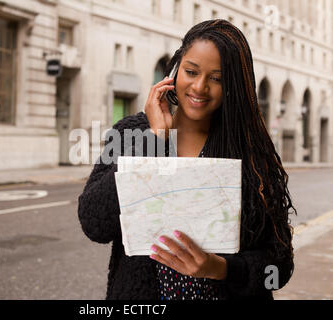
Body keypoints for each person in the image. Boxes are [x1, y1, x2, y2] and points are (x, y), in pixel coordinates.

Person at [78, 19, 296, 300]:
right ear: (175, 70)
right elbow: (94, 223)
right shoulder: (132, 134)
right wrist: (153, 141)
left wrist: (222, 268)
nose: (199, 87)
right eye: (191, 71)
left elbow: (280, 269)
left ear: (234, 86)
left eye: (216, 78)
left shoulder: (250, 154)